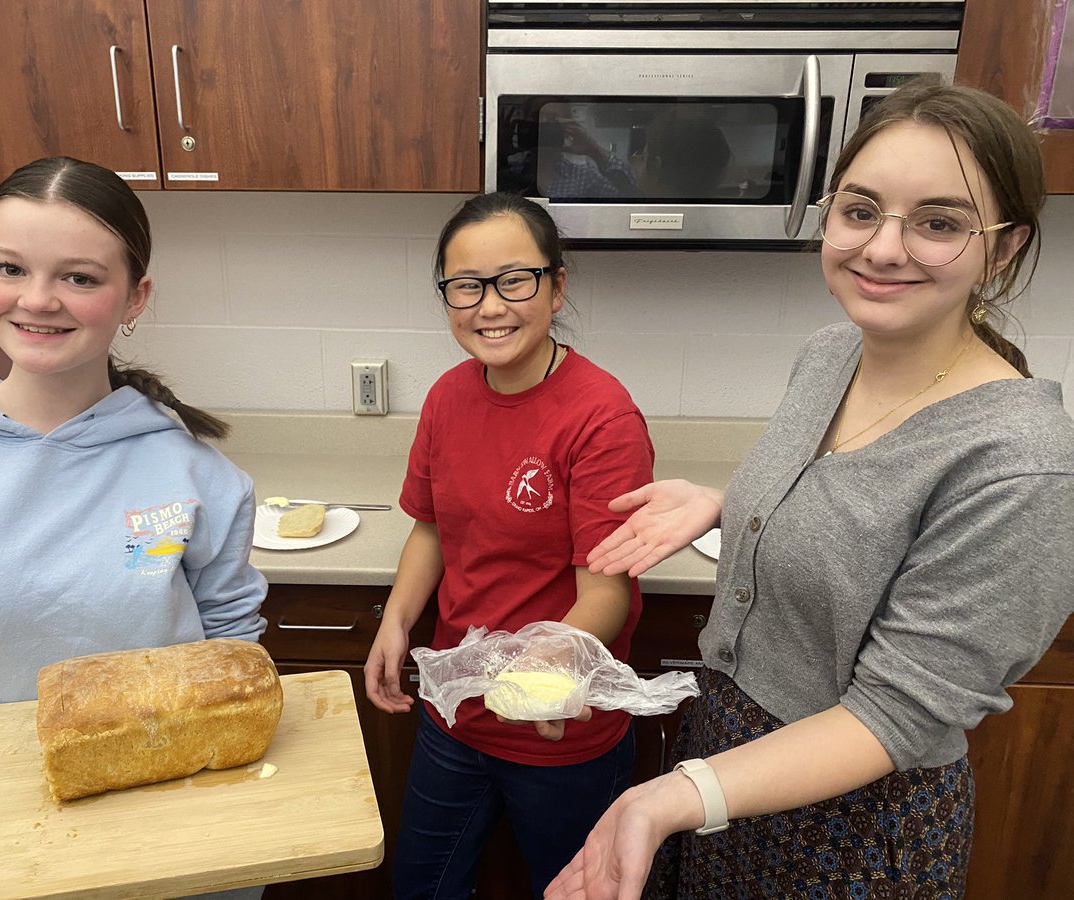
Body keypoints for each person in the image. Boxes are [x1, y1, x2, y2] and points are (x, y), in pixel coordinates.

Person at [546, 81, 1074, 900]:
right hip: (726, 773)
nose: (883, 248)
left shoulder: (1020, 464)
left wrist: (672, 795)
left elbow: (894, 715)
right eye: (861, 210)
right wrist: (730, 504)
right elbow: (854, 509)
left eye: (937, 222)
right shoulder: (833, 354)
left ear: (1002, 248)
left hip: (853, 827)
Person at [0, 157, 267, 896]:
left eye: (80, 277)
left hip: (173, 846)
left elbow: (229, 666)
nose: (39, 300)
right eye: (10, 268)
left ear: (134, 297)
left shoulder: (196, 477)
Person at [364, 191, 656, 899]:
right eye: (466, 286)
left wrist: (540, 665)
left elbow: (606, 594)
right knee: (421, 889)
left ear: (557, 287)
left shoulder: (601, 417)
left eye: (513, 281)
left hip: (560, 731)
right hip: (456, 715)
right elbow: (431, 526)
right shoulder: (447, 397)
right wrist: (396, 622)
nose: (489, 306)